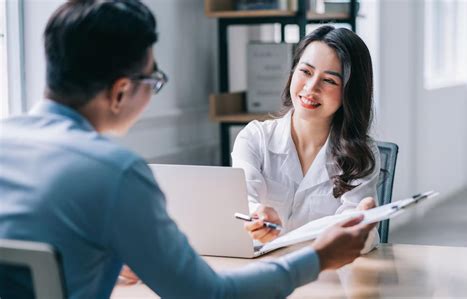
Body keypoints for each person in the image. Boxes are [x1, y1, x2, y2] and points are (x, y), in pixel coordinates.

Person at [0, 1, 376, 298]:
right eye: (153, 80)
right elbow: (209, 295)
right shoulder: (117, 173)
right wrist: (319, 257)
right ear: (119, 92)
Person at [232, 25, 381, 248]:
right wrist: (257, 218)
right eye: (306, 72)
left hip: (327, 272)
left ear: (350, 92)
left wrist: (362, 228)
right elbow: (243, 202)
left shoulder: (361, 155)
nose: (311, 88)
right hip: (264, 273)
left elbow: (358, 238)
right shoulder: (254, 138)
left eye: (329, 80)